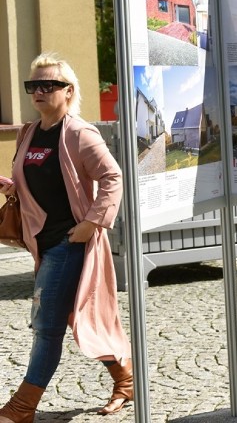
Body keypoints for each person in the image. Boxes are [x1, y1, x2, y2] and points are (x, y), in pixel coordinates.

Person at [0, 53, 133, 421]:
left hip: (67, 243)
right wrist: (10, 185)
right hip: (42, 242)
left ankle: (21, 409)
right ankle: (126, 380)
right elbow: (41, 182)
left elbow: (113, 178)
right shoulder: (30, 132)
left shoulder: (79, 133)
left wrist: (93, 222)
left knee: (46, 326)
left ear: (68, 91)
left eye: (48, 85)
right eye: (33, 85)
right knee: (81, 317)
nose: (38, 92)